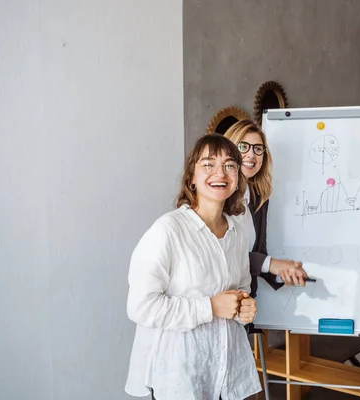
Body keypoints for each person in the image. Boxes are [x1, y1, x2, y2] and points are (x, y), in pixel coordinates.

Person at [124, 134, 261, 400]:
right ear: (192, 178)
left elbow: (240, 291)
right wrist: (209, 307)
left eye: (230, 165)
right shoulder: (168, 230)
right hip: (181, 377)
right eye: (208, 164)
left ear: (237, 178)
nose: (220, 173)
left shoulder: (237, 233)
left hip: (228, 372)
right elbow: (141, 306)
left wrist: (244, 307)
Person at [224, 118, 308, 299]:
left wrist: (282, 274)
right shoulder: (217, 198)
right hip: (219, 301)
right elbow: (224, 254)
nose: (251, 155)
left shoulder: (257, 199)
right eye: (243, 146)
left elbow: (258, 254)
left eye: (258, 149)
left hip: (246, 305)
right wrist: (272, 264)